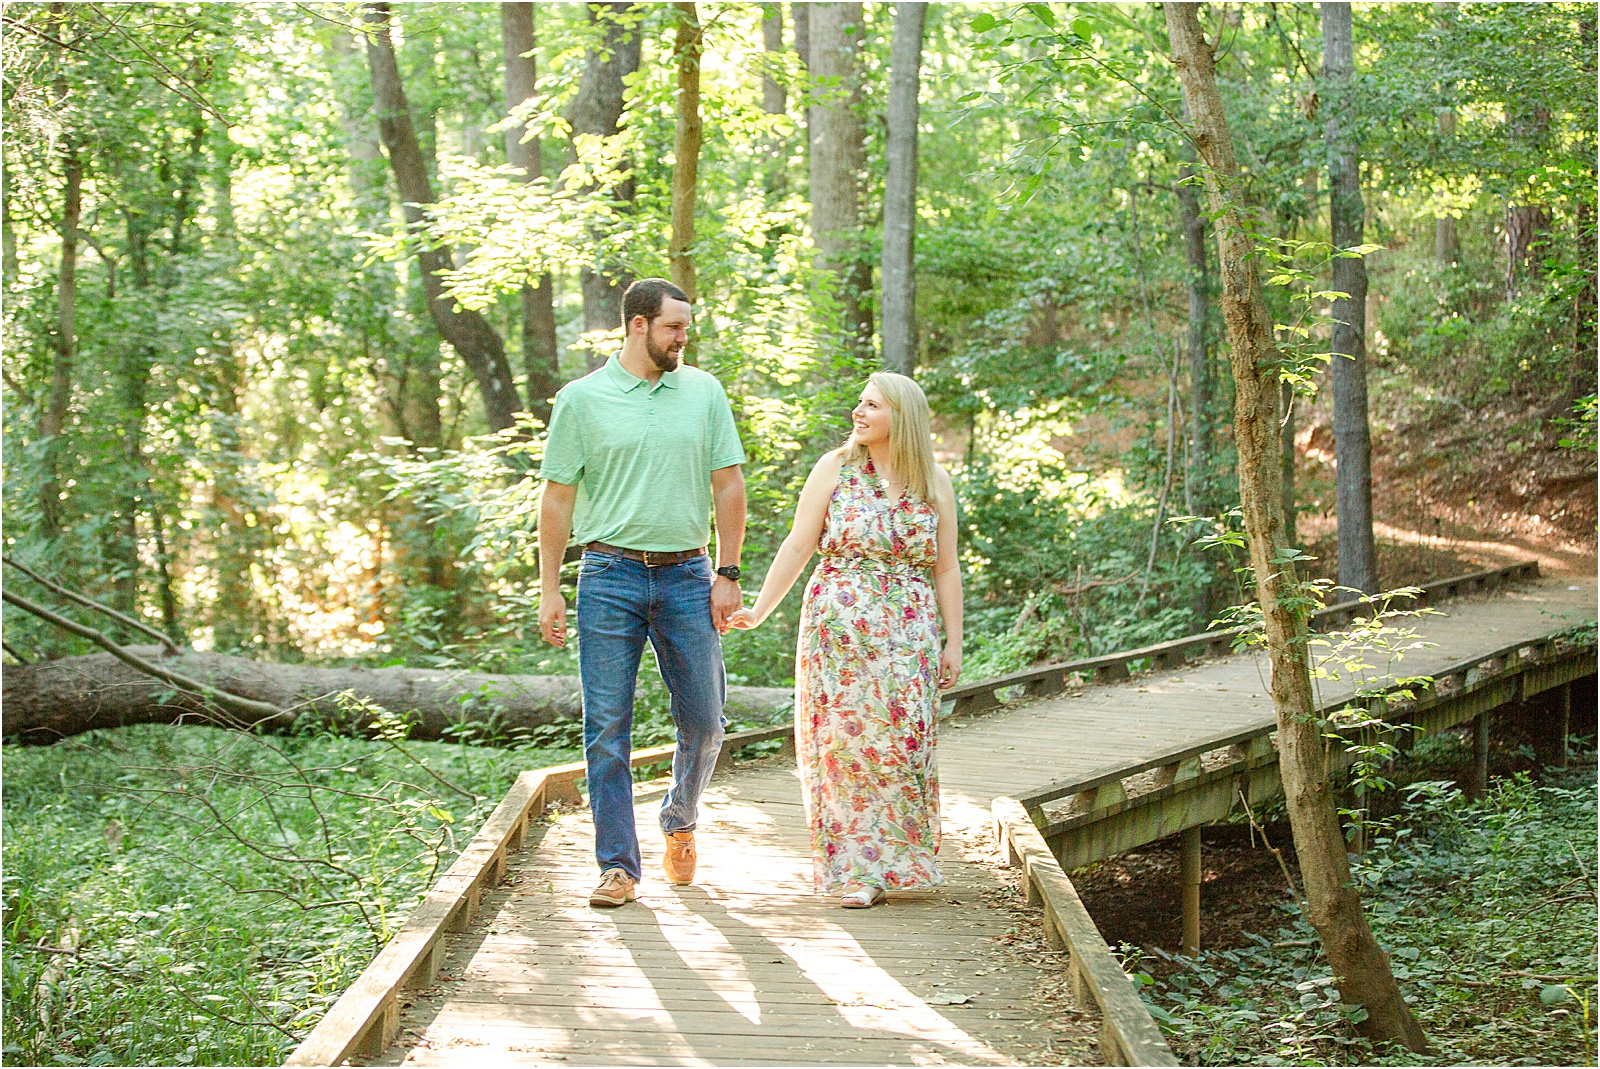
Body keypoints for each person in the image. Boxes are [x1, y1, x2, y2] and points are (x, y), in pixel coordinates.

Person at [538, 278, 747, 909]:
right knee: (606, 727)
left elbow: (729, 486)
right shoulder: (582, 400)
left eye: (686, 327)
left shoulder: (704, 393)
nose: (684, 338)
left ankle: (679, 819)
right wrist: (550, 587)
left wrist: (728, 573)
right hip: (608, 576)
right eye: (673, 328)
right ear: (637, 325)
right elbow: (557, 498)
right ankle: (618, 867)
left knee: (707, 723)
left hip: (688, 575)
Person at [729, 372, 961, 908]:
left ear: (900, 419)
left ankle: (901, 860)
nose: (858, 412)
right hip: (838, 632)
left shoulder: (935, 483)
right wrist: (760, 610)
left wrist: (954, 642)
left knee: (904, 742)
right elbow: (798, 545)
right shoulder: (834, 468)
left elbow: (946, 568)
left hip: (910, 629)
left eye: (872, 405)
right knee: (845, 746)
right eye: (859, 402)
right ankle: (856, 871)